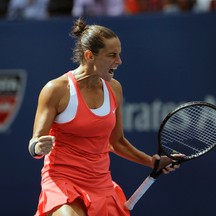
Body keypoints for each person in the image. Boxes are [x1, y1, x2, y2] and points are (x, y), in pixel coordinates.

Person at [28, 18, 179, 216]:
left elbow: (117, 142)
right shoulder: (56, 90)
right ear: (90, 56)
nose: (119, 61)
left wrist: (153, 162)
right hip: (62, 178)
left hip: (100, 182)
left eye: (119, 55)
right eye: (112, 55)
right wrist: (38, 147)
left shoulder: (115, 89)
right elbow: (35, 144)